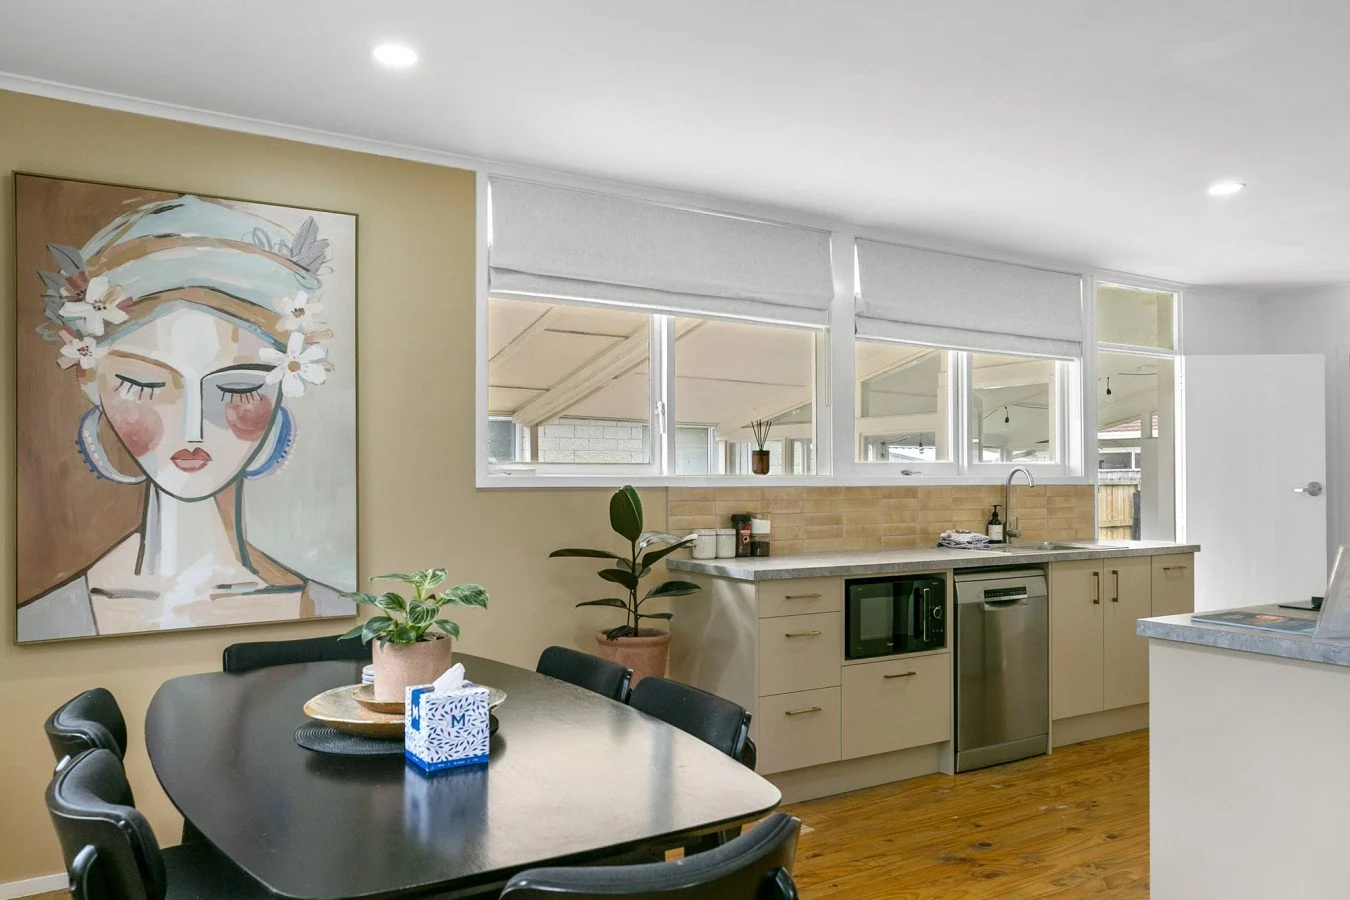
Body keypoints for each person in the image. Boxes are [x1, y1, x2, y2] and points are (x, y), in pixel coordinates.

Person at [18, 195, 351, 640]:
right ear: (91, 382)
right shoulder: (45, 622)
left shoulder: (336, 612)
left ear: (283, 383)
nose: (193, 428)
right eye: (143, 386)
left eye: (237, 389)